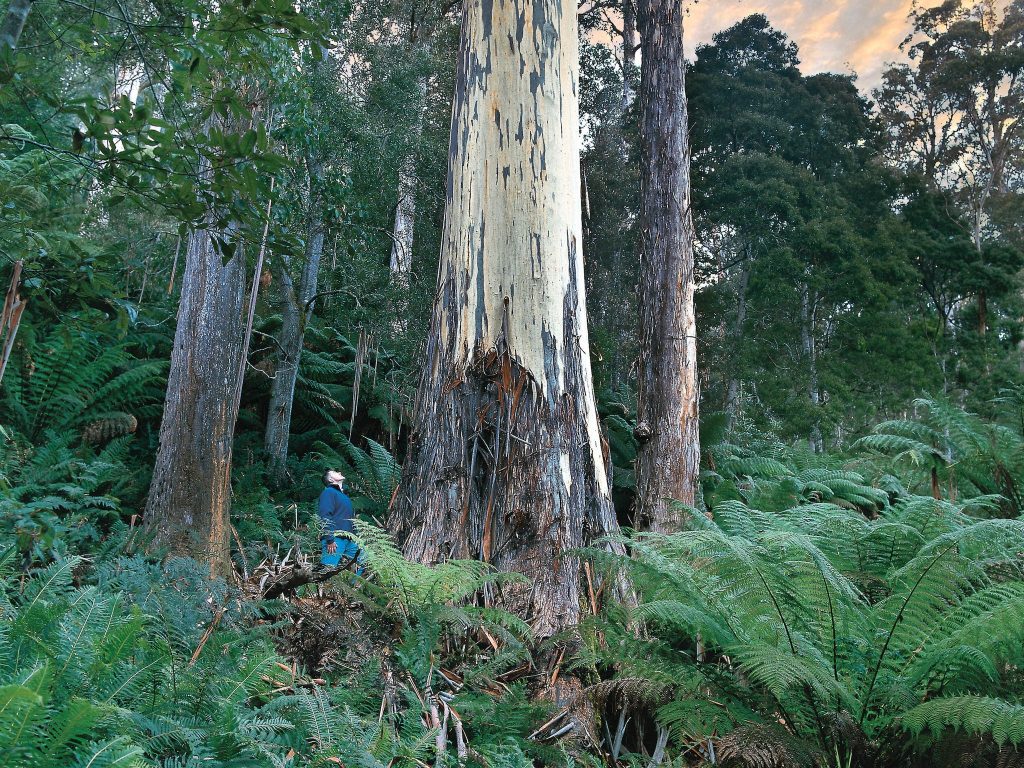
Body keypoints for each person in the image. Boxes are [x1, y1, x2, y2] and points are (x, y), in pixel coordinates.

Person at [317, 470, 364, 574]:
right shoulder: (328, 492)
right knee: (327, 571)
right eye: (334, 472)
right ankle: (322, 590)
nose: (339, 471)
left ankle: (352, 588)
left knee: (364, 562)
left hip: (350, 540)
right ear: (330, 479)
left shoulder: (344, 496)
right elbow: (325, 516)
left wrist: (355, 537)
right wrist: (329, 539)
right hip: (335, 540)